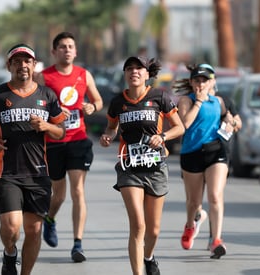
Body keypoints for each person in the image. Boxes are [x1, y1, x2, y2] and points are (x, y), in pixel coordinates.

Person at [0, 44, 66, 275]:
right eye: (17, 61)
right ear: (9, 66)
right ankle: (10, 252)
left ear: (34, 65)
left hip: (38, 173)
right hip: (6, 172)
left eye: (27, 61)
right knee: (11, 228)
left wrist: (46, 126)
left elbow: (60, 130)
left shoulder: (47, 95)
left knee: (34, 231)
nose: (22, 66)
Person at [99, 56, 184, 275]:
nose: (134, 72)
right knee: (138, 225)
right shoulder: (118, 102)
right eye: (129, 68)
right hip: (129, 168)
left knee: (153, 230)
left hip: (155, 167)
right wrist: (107, 137)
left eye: (139, 68)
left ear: (147, 74)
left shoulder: (160, 97)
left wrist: (163, 136)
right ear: (125, 74)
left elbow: (179, 128)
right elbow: (111, 128)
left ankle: (149, 256)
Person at [35, 31, 103, 262]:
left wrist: (92, 108)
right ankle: (50, 219)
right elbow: (34, 104)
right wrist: (52, 112)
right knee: (59, 195)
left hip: (78, 140)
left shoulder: (84, 75)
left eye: (70, 46)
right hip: (53, 142)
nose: (67, 50)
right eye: (62, 46)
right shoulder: (43, 77)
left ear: (76, 51)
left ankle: (77, 244)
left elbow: (98, 100)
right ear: (54, 51)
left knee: (78, 191)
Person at [174, 63, 236, 259]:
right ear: (192, 83)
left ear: (212, 82)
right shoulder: (186, 100)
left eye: (205, 80)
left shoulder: (219, 102)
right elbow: (185, 124)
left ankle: (216, 239)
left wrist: (232, 123)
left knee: (215, 196)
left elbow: (232, 119)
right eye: (197, 80)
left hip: (216, 151)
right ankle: (191, 224)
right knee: (193, 202)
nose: (201, 84)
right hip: (191, 153)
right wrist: (199, 102)